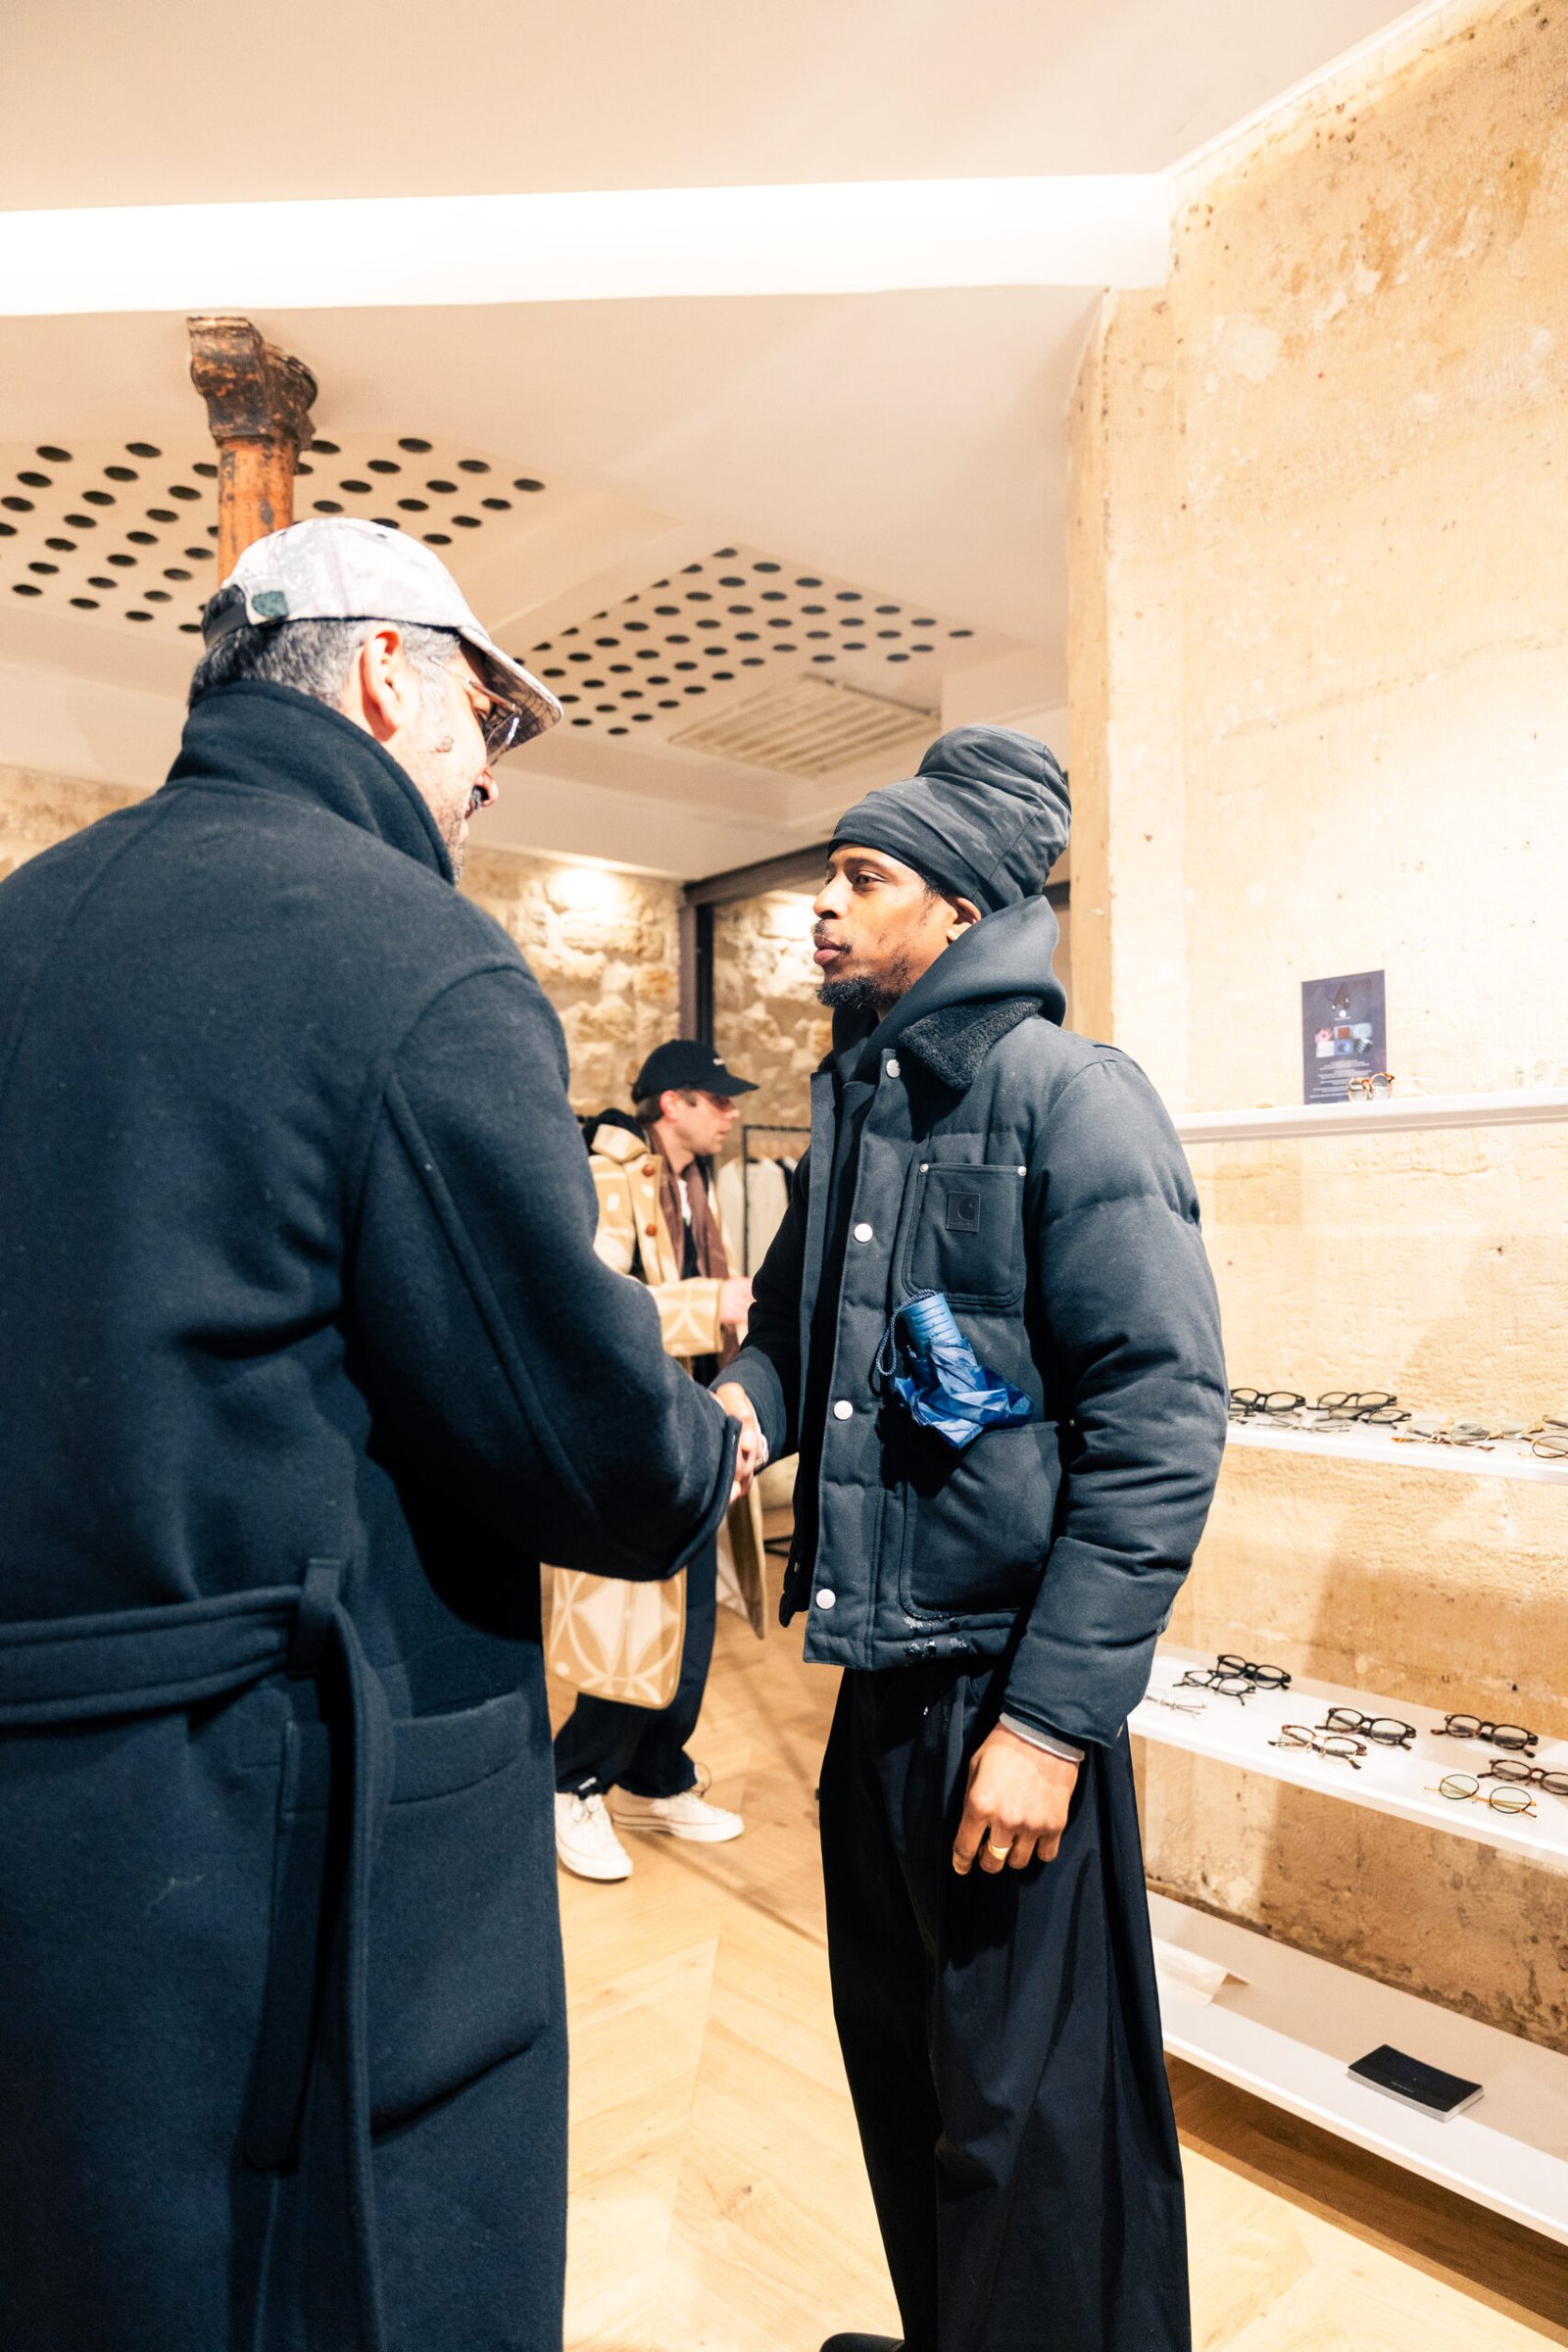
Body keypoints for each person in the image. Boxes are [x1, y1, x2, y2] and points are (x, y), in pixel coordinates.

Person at [0, 515, 755, 2352]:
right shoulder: (411, 960)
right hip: (283, 1848)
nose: (495, 769)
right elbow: (590, 1454)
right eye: (492, 714)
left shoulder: (24, 922)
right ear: (388, 670)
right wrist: (702, 1438)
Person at [714, 725, 1228, 2352]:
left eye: (862, 875)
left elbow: (1161, 1424)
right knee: (913, 2080)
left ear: (958, 907)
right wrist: (741, 1412)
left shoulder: (1077, 1097)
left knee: (1031, 2132)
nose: (821, 904)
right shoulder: (862, 1110)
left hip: (1005, 1704)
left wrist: (1053, 1725)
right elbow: (793, 1337)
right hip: (877, 1682)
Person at [555, 1040, 759, 1878]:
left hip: (690, 1428)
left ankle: (653, 1776)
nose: (732, 1113)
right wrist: (714, 1303)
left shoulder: (690, 1183)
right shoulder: (610, 1178)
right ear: (673, 1103)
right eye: (717, 1099)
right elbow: (591, 1307)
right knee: (631, 1626)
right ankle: (571, 1781)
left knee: (692, 1622)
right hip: (633, 1439)